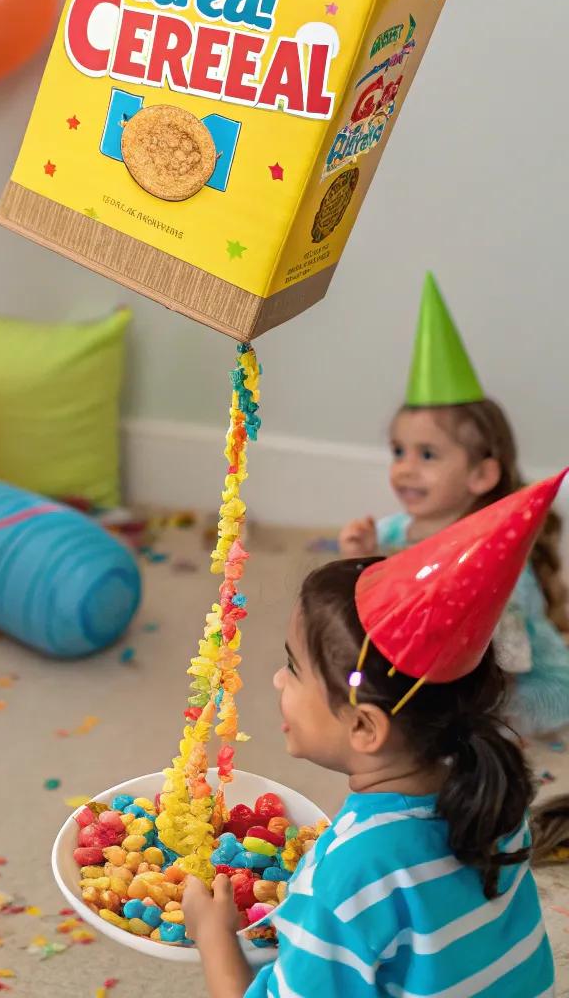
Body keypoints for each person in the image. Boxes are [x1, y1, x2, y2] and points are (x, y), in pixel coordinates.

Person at [182, 476, 560, 996]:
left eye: (293, 668)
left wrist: (214, 935)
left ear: (364, 727)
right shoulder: (495, 791)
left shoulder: (344, 875)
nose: (276, 680)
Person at [339, 272, 569, 737]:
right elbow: (379, 584)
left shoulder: (499, 562)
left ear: (482, 474)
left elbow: (507, 658)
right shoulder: (401, 529)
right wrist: (360, 552)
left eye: (427, 455)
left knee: (454, 720)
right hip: (459, 658)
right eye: (398, 452)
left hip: (529, 680)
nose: (404, 469)